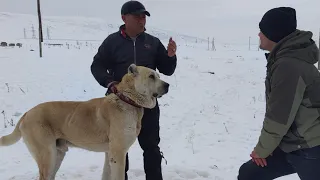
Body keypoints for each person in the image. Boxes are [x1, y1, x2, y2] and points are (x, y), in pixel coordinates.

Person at [90, 1, 177, 180]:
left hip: (147, 105)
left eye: (144, 16)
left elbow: (167, 70)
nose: (141, 20)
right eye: (137, 16)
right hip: (119, 105)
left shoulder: (152, 42)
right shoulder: (112, 42)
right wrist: (109, 82)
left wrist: (170, 57)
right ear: (124, 18)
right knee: (119, 148)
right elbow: (97, 65)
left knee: (151, 147)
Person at [237, 7, 320, 180]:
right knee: (249, 174)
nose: (259, 35)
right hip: (292, 144)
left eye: (262, 31)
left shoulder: (289, 65)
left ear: (274, 34)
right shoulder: (285, 60)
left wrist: (262, 150)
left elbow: (279, 117)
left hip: (311, 146)